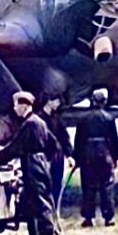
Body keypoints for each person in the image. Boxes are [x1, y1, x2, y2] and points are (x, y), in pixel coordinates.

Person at [0, 91, 58, 235]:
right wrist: (44, 158)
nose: (14, 109)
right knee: (39, 200)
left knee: (41, 202)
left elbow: (14, 147)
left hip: (32, 164)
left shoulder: (30, 124)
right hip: (40, 162)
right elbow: (53, 144)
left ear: (23, 105)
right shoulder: (40, 122)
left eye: (16, 105)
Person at [73, 88, 118, 228]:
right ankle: (109, 217)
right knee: (107, 186)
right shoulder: (109, 118)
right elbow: (114, 140)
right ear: (104, 102)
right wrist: (115, 157)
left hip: (88, 155)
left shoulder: (84, 119)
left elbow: (78, 141)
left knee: (88, 187)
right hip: (105, 154)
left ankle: (88, 217)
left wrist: (77, 158)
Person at [38, 94, 74, 222]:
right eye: (56, 100)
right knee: (46, 186)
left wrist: (69, 155)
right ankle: (48, 214)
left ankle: (55, 212)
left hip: (57, 157)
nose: (58, 103)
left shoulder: (56, 118)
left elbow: (65, 137)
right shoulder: (39, 119)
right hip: (45, 157)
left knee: (57, 185)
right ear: (49, 101)